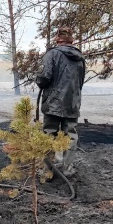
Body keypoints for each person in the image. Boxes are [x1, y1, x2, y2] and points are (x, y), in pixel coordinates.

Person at [36, 27, 86, 175]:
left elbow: (43, 77)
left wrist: (40, 82)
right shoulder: (80, 58)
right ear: (71, 40)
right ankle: (67, 168)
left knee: (49, 133)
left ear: (58, 39)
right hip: (72, 103)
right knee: (70, 135)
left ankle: (48, 170)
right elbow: (80, 82)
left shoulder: (51, 55)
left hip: (53, 103)